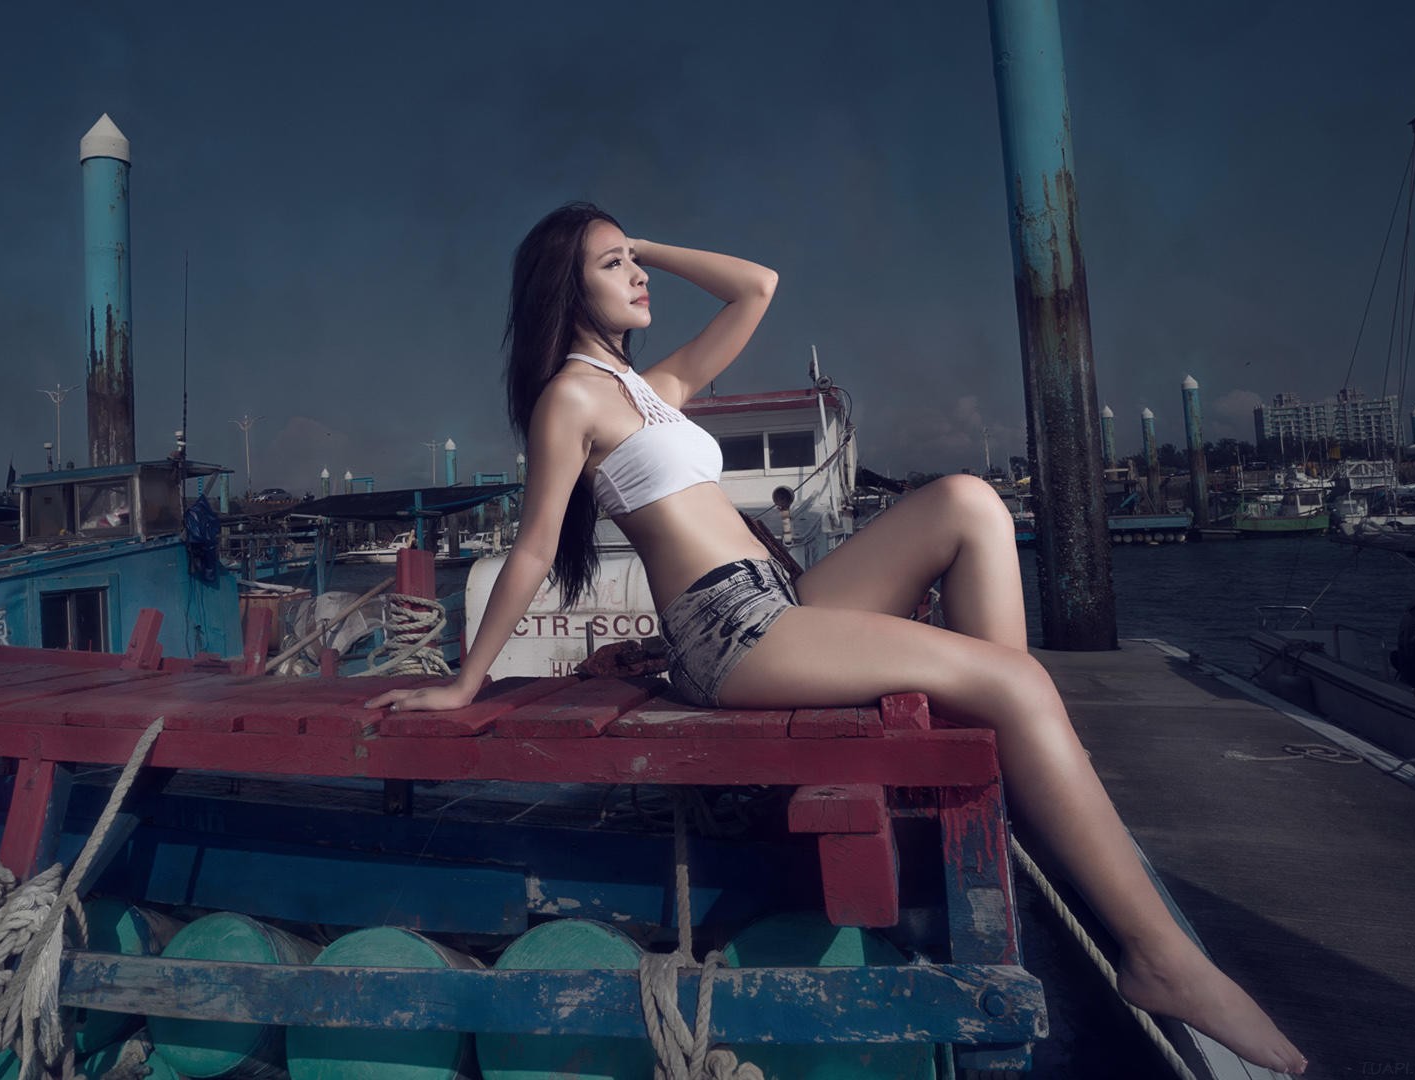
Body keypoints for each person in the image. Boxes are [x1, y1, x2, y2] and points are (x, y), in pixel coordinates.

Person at [366, 202, 1307, 1074]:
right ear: (567, 290)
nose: (639, 275)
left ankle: (1016, 775)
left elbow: (757, 286)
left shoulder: (649, 389)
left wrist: (636, 242)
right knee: (1017, 684)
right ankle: (1158, 955)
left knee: (970, 505)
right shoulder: (570, 398)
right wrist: (464, 681)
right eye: (613, 266)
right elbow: (534, 548)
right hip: (727, 631)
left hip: (778, 599)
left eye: (633, 260)